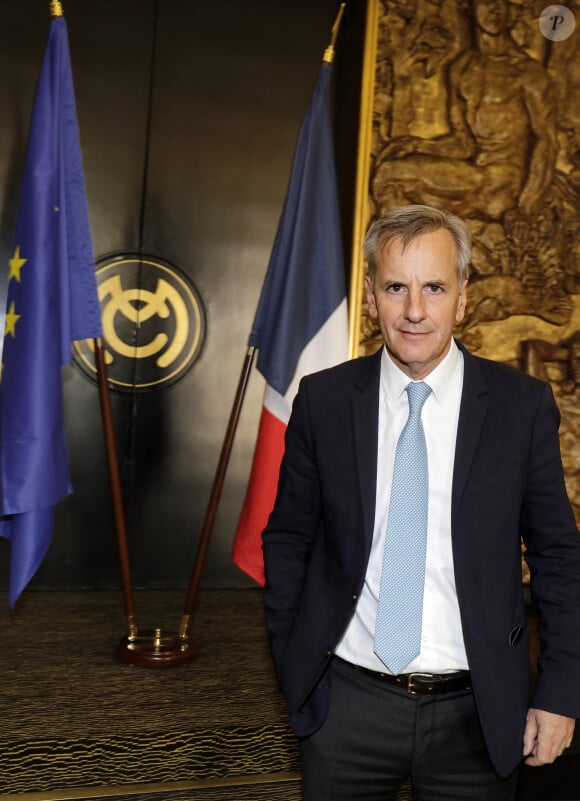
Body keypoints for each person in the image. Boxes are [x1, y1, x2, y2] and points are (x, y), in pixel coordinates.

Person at [262, 204, 580, 800]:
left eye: (434, 287)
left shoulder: (521, 407)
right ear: (371, 294)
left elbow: (559, 558)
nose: (414, 310)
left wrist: (560, 694)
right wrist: (296, 664)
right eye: (396, 287)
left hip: (479, 713)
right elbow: (288, 540)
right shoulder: (323, 402)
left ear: (462, 297)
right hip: (346, 705)